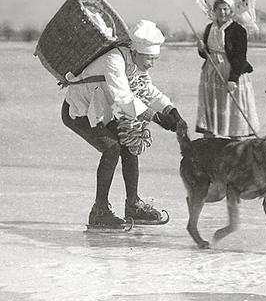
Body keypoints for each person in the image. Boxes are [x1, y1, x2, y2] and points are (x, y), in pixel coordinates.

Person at [61, 20, 185, 228]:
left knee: (129, 146)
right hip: (79, 111)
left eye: (155, 59)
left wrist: (170, 110)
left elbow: (148, 90)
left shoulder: (135, 63)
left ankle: (133, 205)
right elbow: (123, 97)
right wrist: (155, 117)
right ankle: (99, 211)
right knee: (111, 148)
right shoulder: (113, 60)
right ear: (136, 52)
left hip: (100, 111)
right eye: (150, 59)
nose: (151, 64)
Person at [195, 0, 260, 139]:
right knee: (212, 112)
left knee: (233, 112)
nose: (222, 12)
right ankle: (210, 147)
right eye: (219, 9)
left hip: (231, 74)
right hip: (211, 75)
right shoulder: (209, 28)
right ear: (214, 11)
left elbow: (240, 56)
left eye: (225, 9)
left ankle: (236, 145)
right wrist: (201, 49)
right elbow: (206, 55)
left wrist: (233, 79)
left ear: (230, 11)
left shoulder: (238, 30)